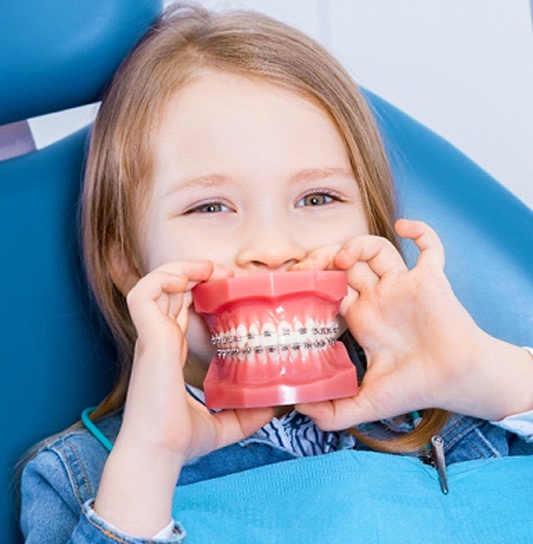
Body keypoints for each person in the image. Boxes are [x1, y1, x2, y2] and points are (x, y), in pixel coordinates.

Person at [20, 3, 533, 542]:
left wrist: (484, 374)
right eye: (210, 207)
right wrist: (150, 457)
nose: (272, 249)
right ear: (123, 260)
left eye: (316, 197)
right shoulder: (84, 479)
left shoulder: (472, 410)